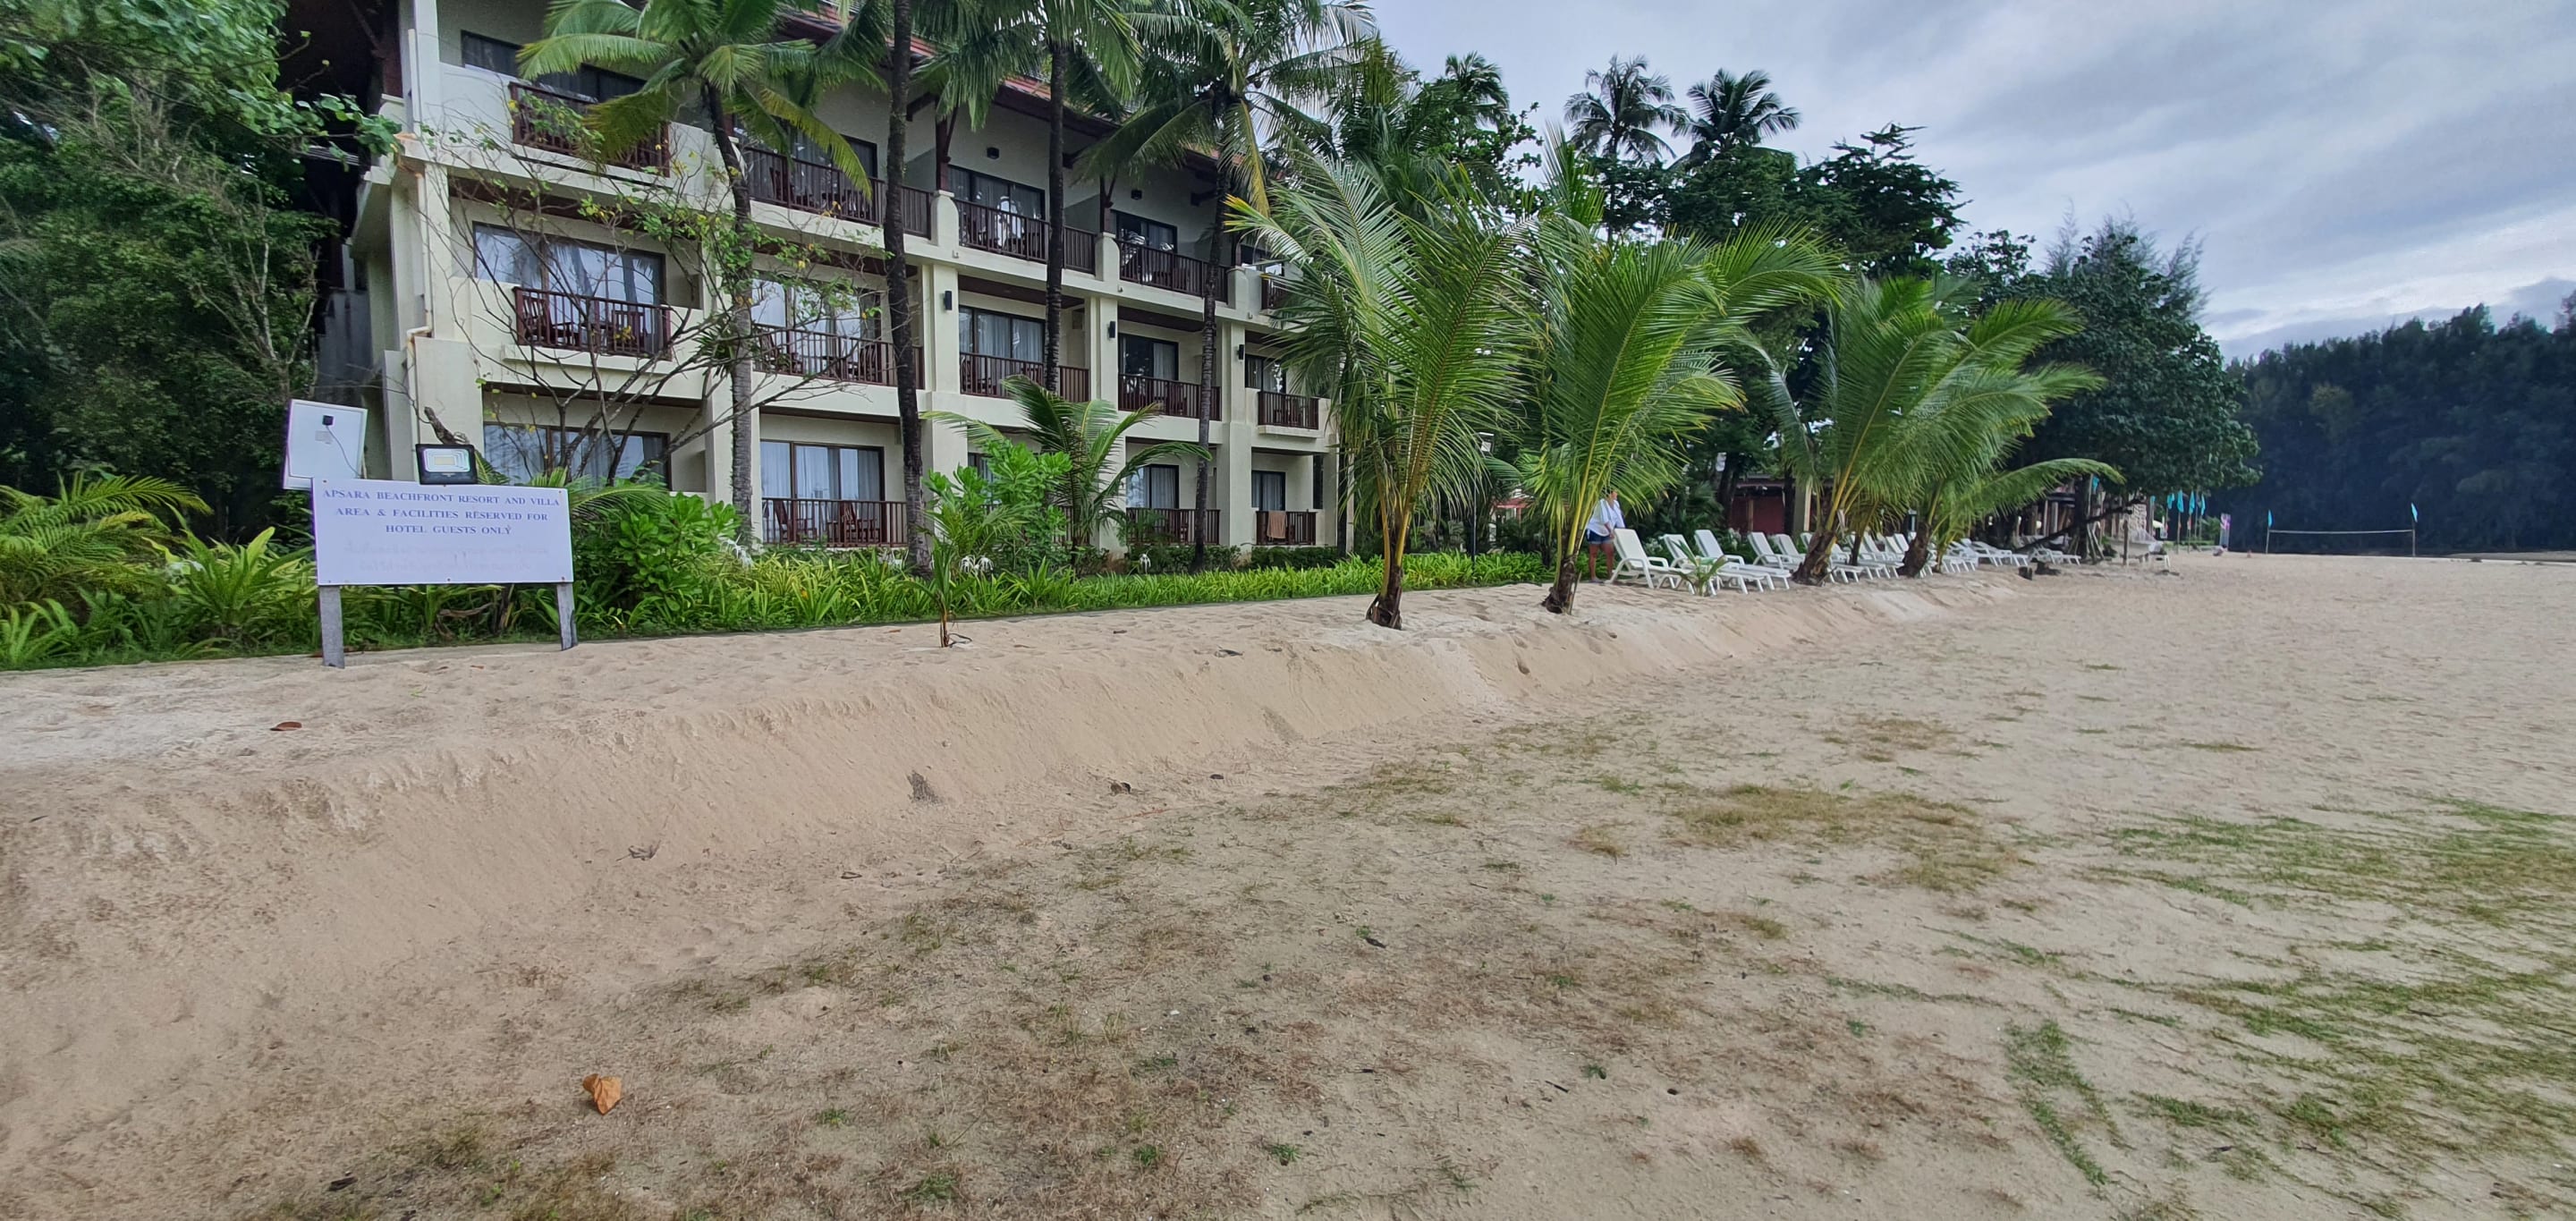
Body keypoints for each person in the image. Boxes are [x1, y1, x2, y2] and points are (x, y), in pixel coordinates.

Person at [1583, 490, 1624, 580]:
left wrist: (1622, 531)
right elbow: (1604, 520)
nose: (1617, 494)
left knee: (1610, 553)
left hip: (1607, 532)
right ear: (1610, 494)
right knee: (1594, 554)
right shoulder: (1601, 503)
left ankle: (1610, 576)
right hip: (1595, 530)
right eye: (1615, 492)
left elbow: (1619, 519)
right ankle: (1593, 577)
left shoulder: (1616, 504)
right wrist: (1611, 531)